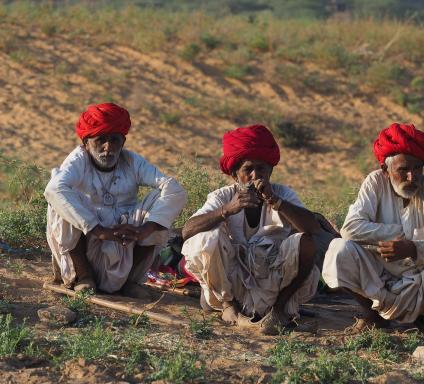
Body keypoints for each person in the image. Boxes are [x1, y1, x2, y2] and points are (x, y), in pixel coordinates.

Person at [322, 122, 424, 330]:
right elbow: (350, 229)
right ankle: (372, 316)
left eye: (417, 168)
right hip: (381, 277)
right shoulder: (375, 183)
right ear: (385, 171)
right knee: (338, 250)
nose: (412, 177)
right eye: (403, 170)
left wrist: (414, 248)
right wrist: (396, 234)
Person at [181, 124, 332, 334]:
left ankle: (279, 309)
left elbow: (312, 229)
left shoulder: (282, 194)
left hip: (271, 281)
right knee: (205, 237)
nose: (255, 176)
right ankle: (229, 307)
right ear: (235, 175)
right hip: (232, 282)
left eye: (261, 169)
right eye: (248, 170)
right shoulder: (223, 196)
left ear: (270, 170)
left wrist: (276, 202)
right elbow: (187, 230)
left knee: (305, 242)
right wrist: (227, 210)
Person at [45, 103, 187, 299]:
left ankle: (131, 282)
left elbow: (174, 189)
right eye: (100, 140)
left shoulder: (132, 161)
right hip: (89, 242)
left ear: (123, 142)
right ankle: (84, 277)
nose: (108, 148)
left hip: (125, 243)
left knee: (161, 200)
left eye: (114, 140)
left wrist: (144, 230)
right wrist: (100, 231)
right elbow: (54, 190)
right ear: (86, 143)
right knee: (60, 198)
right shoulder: (78, 160)